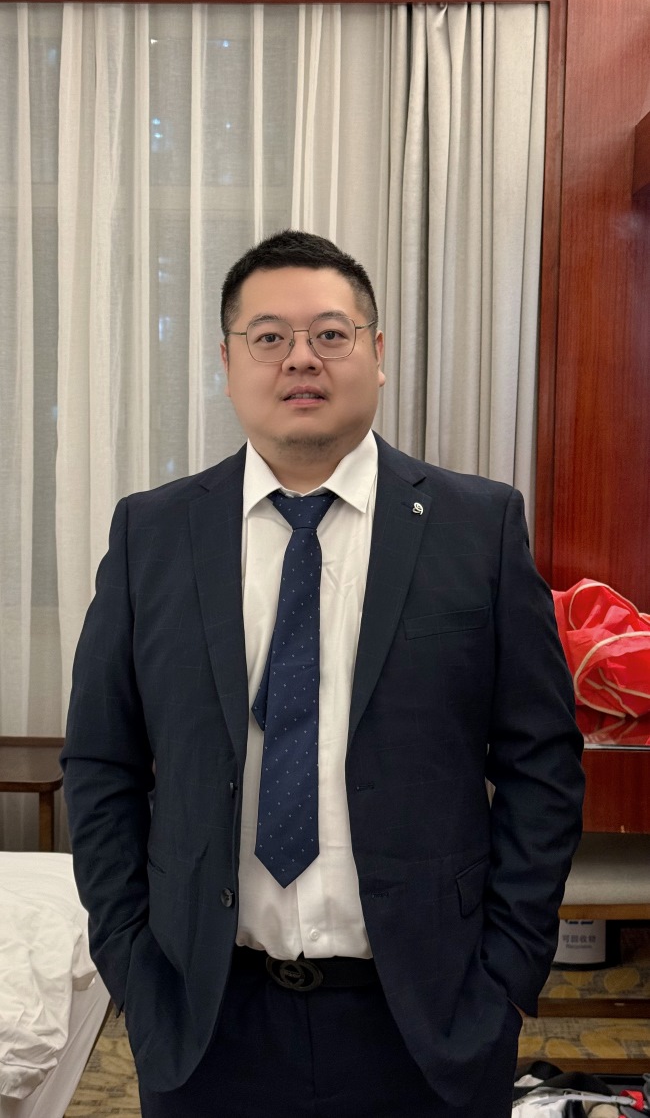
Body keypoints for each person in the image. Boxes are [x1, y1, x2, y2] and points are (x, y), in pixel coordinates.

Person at [61, 229, 584, 1118]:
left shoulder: (477, 527)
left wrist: (506, 972)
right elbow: (102, 762)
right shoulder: (153, 534)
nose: (301, 358)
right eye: (269, 337)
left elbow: (543, 762)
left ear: (377, 355)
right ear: (227, 363)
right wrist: (134, 965)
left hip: (428, 1017)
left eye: (330, 335)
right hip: (203, 1017)